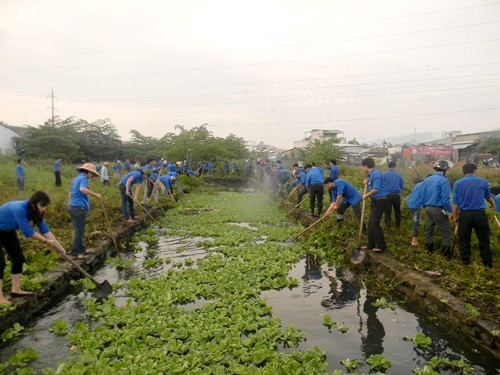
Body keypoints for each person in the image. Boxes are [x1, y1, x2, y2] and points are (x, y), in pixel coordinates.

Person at [0, 191, 64, 304]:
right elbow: (28, 231)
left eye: (45, 206)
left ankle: (16, 289)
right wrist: (45, 241)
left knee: (18, 258)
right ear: (34, 203)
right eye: (42, 206)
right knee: (0, 263)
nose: (44, 209)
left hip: (7, 231)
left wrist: (60, 248)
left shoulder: (35, 212)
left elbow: (45, 230)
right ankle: (0, 298)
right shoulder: (20, 209)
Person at [452, 163, 496, 267]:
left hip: (465, 215)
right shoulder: (483, 182)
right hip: (480, 215)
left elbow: (455, 201)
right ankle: (487, 264)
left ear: (463, 172)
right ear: (475, 171)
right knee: (484, 240)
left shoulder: (458, 183)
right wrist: (493, 204)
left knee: (464, 240)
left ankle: (466, 263)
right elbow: (488, 196)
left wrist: (454, 215)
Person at [67, 163, 102, 260]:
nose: (92, 176)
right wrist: (96, 195)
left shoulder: (76, 178)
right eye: (92, 174)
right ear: (89, 172)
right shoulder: (83, 178)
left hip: (72, 206)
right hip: (77, 208)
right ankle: (75, 253)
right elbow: (82, 189)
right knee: (79, 231)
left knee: (80, 230)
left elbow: (72, 192)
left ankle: (81, 249)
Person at [421, 160, 452, 257]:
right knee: (446, 232)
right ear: (445, 170)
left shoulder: (427, 180)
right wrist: (451, 211)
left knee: (428, 231)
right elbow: (446, 199)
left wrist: (425, 206)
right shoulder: (444, 181)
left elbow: (423, 195)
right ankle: (445, 256)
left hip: (428, 208)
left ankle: (428, 253)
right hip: (439, 209)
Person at [361, 157, 388, 252]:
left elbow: (376, 188)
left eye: (363, 167)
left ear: (365, 166)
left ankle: (381, 246)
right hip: (375, 201)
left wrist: (366, 195)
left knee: (375, 223)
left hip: (380, 201)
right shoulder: (371, 174)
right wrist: (367, 183)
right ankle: (370, 245)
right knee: (370, 224)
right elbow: (373, 184)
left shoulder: (376, 174)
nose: (363, 169)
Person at [405, 174, 432, 247]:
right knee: (416, 221)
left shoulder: (419, 184)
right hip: (415, 204)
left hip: (411, 202)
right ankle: (414, 241)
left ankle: (415, 238)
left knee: (417, 221)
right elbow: (425, 196)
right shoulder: (427, 185)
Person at [382, 162, 404, 228]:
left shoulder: (383, 175)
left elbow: (380, 185)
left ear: (388, 167)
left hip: (387, 195)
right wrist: (399, 189)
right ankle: (397, 226)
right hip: (396, 195)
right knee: (397, 210)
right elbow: (402, 185)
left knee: (387, 211)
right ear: (395, 167)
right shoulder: (398, 175)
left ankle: (387, 226)